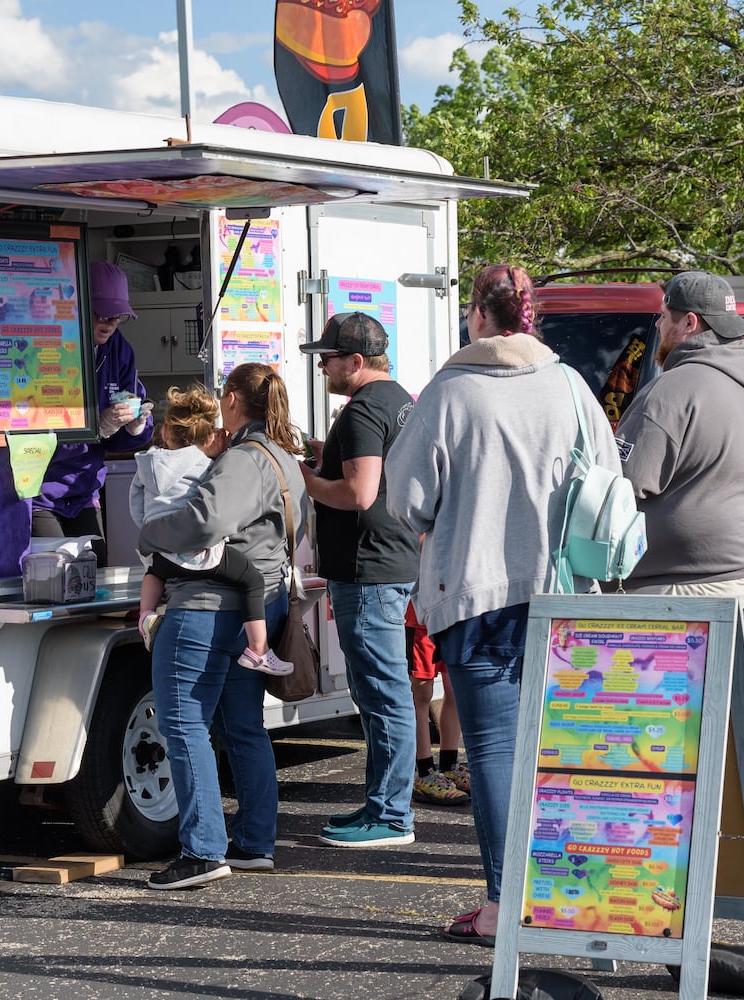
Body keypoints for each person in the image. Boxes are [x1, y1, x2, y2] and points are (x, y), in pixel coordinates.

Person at [386, 263, 621, 944]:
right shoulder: (573, 388)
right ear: (532, 317)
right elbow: (609, 481)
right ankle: (567, 897)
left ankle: (500, 904)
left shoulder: (450, 392)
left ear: (479, 318)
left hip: (477, 594)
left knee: (492, 752)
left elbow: (406, 501)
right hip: (565, 598)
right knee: (560, 752)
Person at [137, 362, 308, 889]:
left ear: (233, 399)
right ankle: (254, 843)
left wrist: (150, 533)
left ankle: (203, 850)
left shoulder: (242, 460)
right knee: (243, 727)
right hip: (259, 602)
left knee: (184, 722)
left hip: (207, 608)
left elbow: (205, 521)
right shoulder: (284, 458)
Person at [615, 270, 744, 671]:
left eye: (662, 315)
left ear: (688, 323)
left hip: (685, 595)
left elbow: (622, 487)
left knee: (666, 728)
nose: (657, 326)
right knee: (732, 724)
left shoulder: (671, 390)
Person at [299, 312, 420, 849]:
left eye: (327, 358)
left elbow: (359, 493)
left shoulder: (364, 408)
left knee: (381, 693)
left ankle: (391, 816)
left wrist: (306, 479)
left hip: (369, 569)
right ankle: (381, 806)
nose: (322, 366)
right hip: (393, 560)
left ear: (354, 360)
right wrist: (330, 458)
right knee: (381, 692)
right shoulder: (400, 399)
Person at [129, 385, 292, 676]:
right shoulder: (207, 464)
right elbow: (213, 512)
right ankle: (258, 649)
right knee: (251, 579)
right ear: (209, 439)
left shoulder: (147, 464)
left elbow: (136, 504)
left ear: (166, 432)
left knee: (153, 573)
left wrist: (150, 532)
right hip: (198, 555)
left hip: (162, 554)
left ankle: (146, 615)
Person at [32, 259, 155, 566]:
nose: (110, 321)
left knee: (94, 576)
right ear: (77, 306)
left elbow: (129, 408)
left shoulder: (119, 350)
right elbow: (33, 434)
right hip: (40, 493)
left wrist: (135, 427)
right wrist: (95, 429)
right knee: (53, 578)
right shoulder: (47, 349)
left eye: (118, 315)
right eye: (102, 311)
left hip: (85, 490)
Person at [407, 600, 470, 807]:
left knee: (456, 689)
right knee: (421, 695)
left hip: (452, 615)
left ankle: (449, 766)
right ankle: (425, 773)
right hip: (420, 616)